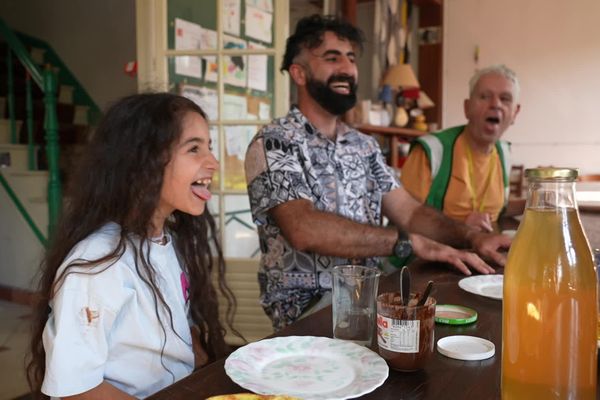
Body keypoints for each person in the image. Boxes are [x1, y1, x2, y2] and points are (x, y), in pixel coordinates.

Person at [245, 14, 511, 331]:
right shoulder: (274, 142)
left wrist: (473, 237)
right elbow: (304, 229)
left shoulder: (363, 146)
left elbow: (409, 213)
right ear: (299, 73)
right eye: (332, 58)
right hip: (307, 316)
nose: (347, 68)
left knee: (472, 327)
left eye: (351, 58)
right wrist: (406, 243)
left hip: (369, 301)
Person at [26, 93, 239, 399]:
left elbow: (174, 331)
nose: (213, 163)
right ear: (142, 162)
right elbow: (76, 389)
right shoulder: (98, 263)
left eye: (210, 148)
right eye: (194, 148)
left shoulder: (169, 242)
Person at [401, 65, 522, 232]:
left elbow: (499, 210)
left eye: (505, 98)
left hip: (484, 249)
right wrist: (459, 228)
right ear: (467, 107)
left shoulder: (504, 152)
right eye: (484, 96)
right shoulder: (432, 150)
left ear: (515, 112)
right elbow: (403, 218)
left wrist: (539, 200)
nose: (495, 104)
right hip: (432, 252)